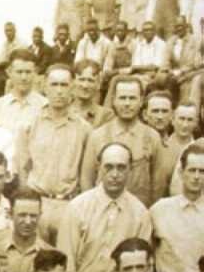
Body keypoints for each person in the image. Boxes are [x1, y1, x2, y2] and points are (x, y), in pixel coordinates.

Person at [58, 142, 152, 272]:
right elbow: (65, 261)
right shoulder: (77, 207)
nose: (115, 174)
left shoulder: (140, 213)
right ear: (99, 167)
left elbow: (142, 266)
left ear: (131, 169)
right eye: (109, 167)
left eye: (121, 167)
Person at [17, 64, 91, 243]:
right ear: (44, 87)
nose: (59, 91)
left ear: (72, 88)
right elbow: (22, 168)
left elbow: (86, 174)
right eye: (54, 84)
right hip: (37, 205)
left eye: (64, 85)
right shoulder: (29, 124)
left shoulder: (84, 129)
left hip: (68, 205)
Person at [80, 76, 163, 207]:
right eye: (122, 98)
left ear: (141, 101)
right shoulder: (97, 136)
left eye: (132, 98)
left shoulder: (153, 137)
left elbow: (158, 186)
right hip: (101, 212)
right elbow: (86, 180)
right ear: (114, 100)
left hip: (137, 214)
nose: (127, 103)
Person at [150, 142, 204, 272]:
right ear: (181, 173)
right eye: (192, 170)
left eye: (202, 171)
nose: (196, 177)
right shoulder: (160, 210)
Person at [0, 188, 50, 272]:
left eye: (33, 216)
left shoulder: (48, 253)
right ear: (10, 214)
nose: (28, 221)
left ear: (40, 215)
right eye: (22, 215)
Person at [0, 49, 48, 140]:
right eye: (19, 72)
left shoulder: (45, 106)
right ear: (9, 72)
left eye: (28, 72)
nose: (24, 77)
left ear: (35, 72)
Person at [157, 101, 198, 198]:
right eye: (181, 119)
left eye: (190, 120)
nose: (185, 125)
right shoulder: (160, 146)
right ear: (172, 119)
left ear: (196, 123)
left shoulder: (200, 151)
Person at [69, 59, 115, 128]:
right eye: (81, 80)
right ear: (73, 82)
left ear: (98, 84)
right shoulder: (63, 110)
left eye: (90, 81)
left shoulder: (106, 115)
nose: (85, 85)